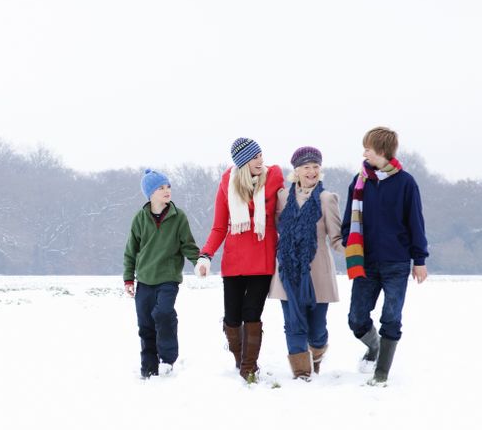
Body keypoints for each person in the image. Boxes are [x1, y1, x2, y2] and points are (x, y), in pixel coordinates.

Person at [341, 127, 429, 385]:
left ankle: (381, 374)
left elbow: (416, 223)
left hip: (396, 263)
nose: (364, 152)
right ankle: (375, 347)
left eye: (367, 148)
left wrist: (419, 260)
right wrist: (348, 240)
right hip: (365, 261)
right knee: (356, 318)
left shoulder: (406, 183)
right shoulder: (358, 182)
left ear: (381, 152)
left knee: (391, 317)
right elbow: (349, 218)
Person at [195, 138, 284, 383]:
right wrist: (205, 255)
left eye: (261, 155)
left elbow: (286, 212)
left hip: (262, 261)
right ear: (243, 162)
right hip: (234, 264)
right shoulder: (227, 185)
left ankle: (249, 368)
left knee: (251, 313)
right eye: (255, 157)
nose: (260, 160)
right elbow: (219, 227)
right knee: (232, 318)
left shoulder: (274, 179)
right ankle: (239, 358)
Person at [267, 146, 344, 381]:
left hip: (317, 273)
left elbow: (337, 238)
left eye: (316, 167)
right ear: (296, 171)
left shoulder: (326, 198)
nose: (312, 171)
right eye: (306, 167)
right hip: (288, 272)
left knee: (317, 330)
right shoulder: (282, 197)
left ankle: (317, 352)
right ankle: (301, 374)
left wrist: (357, 252)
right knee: (293, 325)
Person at [123, 169, 202, 378]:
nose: (167, 191)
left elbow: (188, 245)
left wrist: (199, 262)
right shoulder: (139, 218)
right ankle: (148, 368)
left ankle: (167, 359)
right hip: (145, 280)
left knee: (163, 313)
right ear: (150, 194)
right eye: (161, 188)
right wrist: (128, 279)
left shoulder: (178, 217)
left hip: (168, 278)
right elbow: (131, 251)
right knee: (145, 324)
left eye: (168, 187)